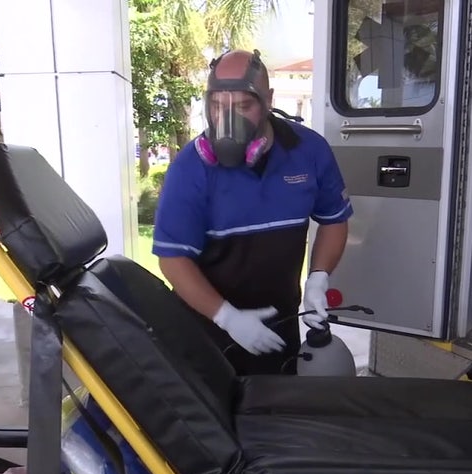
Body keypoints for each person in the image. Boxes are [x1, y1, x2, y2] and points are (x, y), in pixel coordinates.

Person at [151, 48, 353, 375]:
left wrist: (318, 277)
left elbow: (334, 220)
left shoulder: (310, 151)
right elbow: (173, 259)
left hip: (280, 324)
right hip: (203, 331)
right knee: (212, 420)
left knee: (274, 414)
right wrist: (228, 318)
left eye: (243, 106)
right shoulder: (190, 169)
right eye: (218, 106)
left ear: (268, 100)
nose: (228, 119)